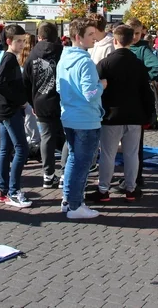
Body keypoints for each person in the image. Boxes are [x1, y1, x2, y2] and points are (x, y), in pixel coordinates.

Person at [91, 24, 154, 202]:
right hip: (134, 116)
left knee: (108, 154)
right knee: (132, 154)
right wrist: (148, 115)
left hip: (111, 116)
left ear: (115, 40)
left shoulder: (105, 63)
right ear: (131, 40)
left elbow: (98, 91)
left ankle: (103, 190)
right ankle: (131, 188)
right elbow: (146, 93)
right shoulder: (138, 65)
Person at [57, 17, 105, 220]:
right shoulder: (85, 61)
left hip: (69, 116)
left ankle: (69, 201)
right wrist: (103, 84)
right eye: (90, 35)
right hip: (85, 119)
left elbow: (60, 87)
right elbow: (90, 93)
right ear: (78, 37)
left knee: (74, 161)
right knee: (82, 163)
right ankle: (75, 204)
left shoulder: (64, 58)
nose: (94, 39)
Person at [24, 22, 66, 189]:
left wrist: (32, 101)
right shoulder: (62, 52)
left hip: (40, 101)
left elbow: (26, 82)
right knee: (66, 137)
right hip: (61, 100)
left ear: (39, 36)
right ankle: (64, 173)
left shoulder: (32, 55)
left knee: (47, 138)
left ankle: (48, 175)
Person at [0, 24, 32, 208]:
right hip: (9, 110)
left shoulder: (9, 57)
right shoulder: (9, 59)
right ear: (9, 41)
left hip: (5, 109)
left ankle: (3, 191)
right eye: (18, 41)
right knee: (21, 149)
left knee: (5, 150)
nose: (22, 44)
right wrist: (20, 101)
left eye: (23, 41)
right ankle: (13, 191)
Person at [126, 17, 158, 194]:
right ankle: (131, 176)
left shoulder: (141, 48)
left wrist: (145, 78)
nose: (135, 37)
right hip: (129, 99)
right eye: (133, 33)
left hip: (135, 99)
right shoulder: (123, 46)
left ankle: (136, 176)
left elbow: (157, 65)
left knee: (135, 142)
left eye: (138, 34)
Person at [17, 34, 41, 162]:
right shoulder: (35, 55)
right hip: (32, 89)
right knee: (30, 116)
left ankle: (28, 141)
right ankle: (34, 142)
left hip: (21, 90)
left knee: (26, 117)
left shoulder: (19, 56)